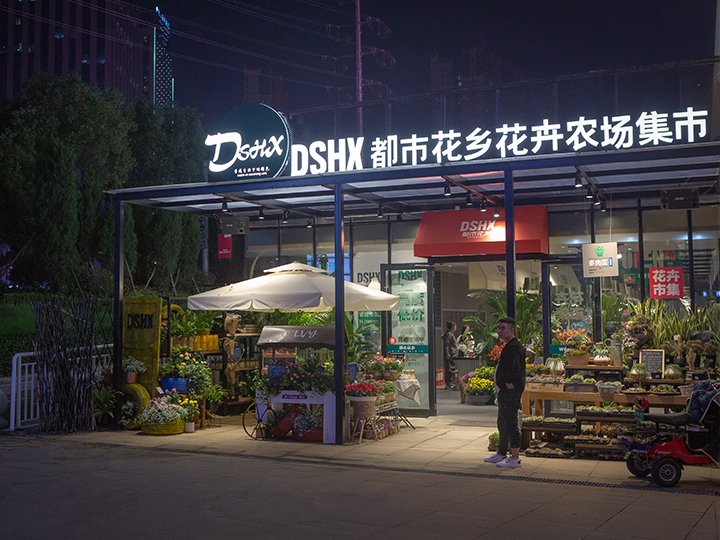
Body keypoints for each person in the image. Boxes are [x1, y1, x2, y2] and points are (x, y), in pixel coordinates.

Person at [484, 316, 525, 468]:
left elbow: (515, 367)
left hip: (510, 392)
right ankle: (501, 452)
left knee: (510, 422)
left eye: (503, 328)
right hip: (504, 391)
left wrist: (509, 382)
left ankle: (515, 458)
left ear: (512, 330)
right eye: (499, 328)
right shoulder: (509, 346)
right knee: (502, 422)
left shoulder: (514, 348)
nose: (499, 331)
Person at [442, 321, 458, 390]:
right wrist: (447, 353)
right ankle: (449, 383)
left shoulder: (448, 334)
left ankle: (450, 382)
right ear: (453, 327)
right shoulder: (449, 335)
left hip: (452, 354)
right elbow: (447, 344)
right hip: (450, 354)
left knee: (450, 367)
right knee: (449, 368)